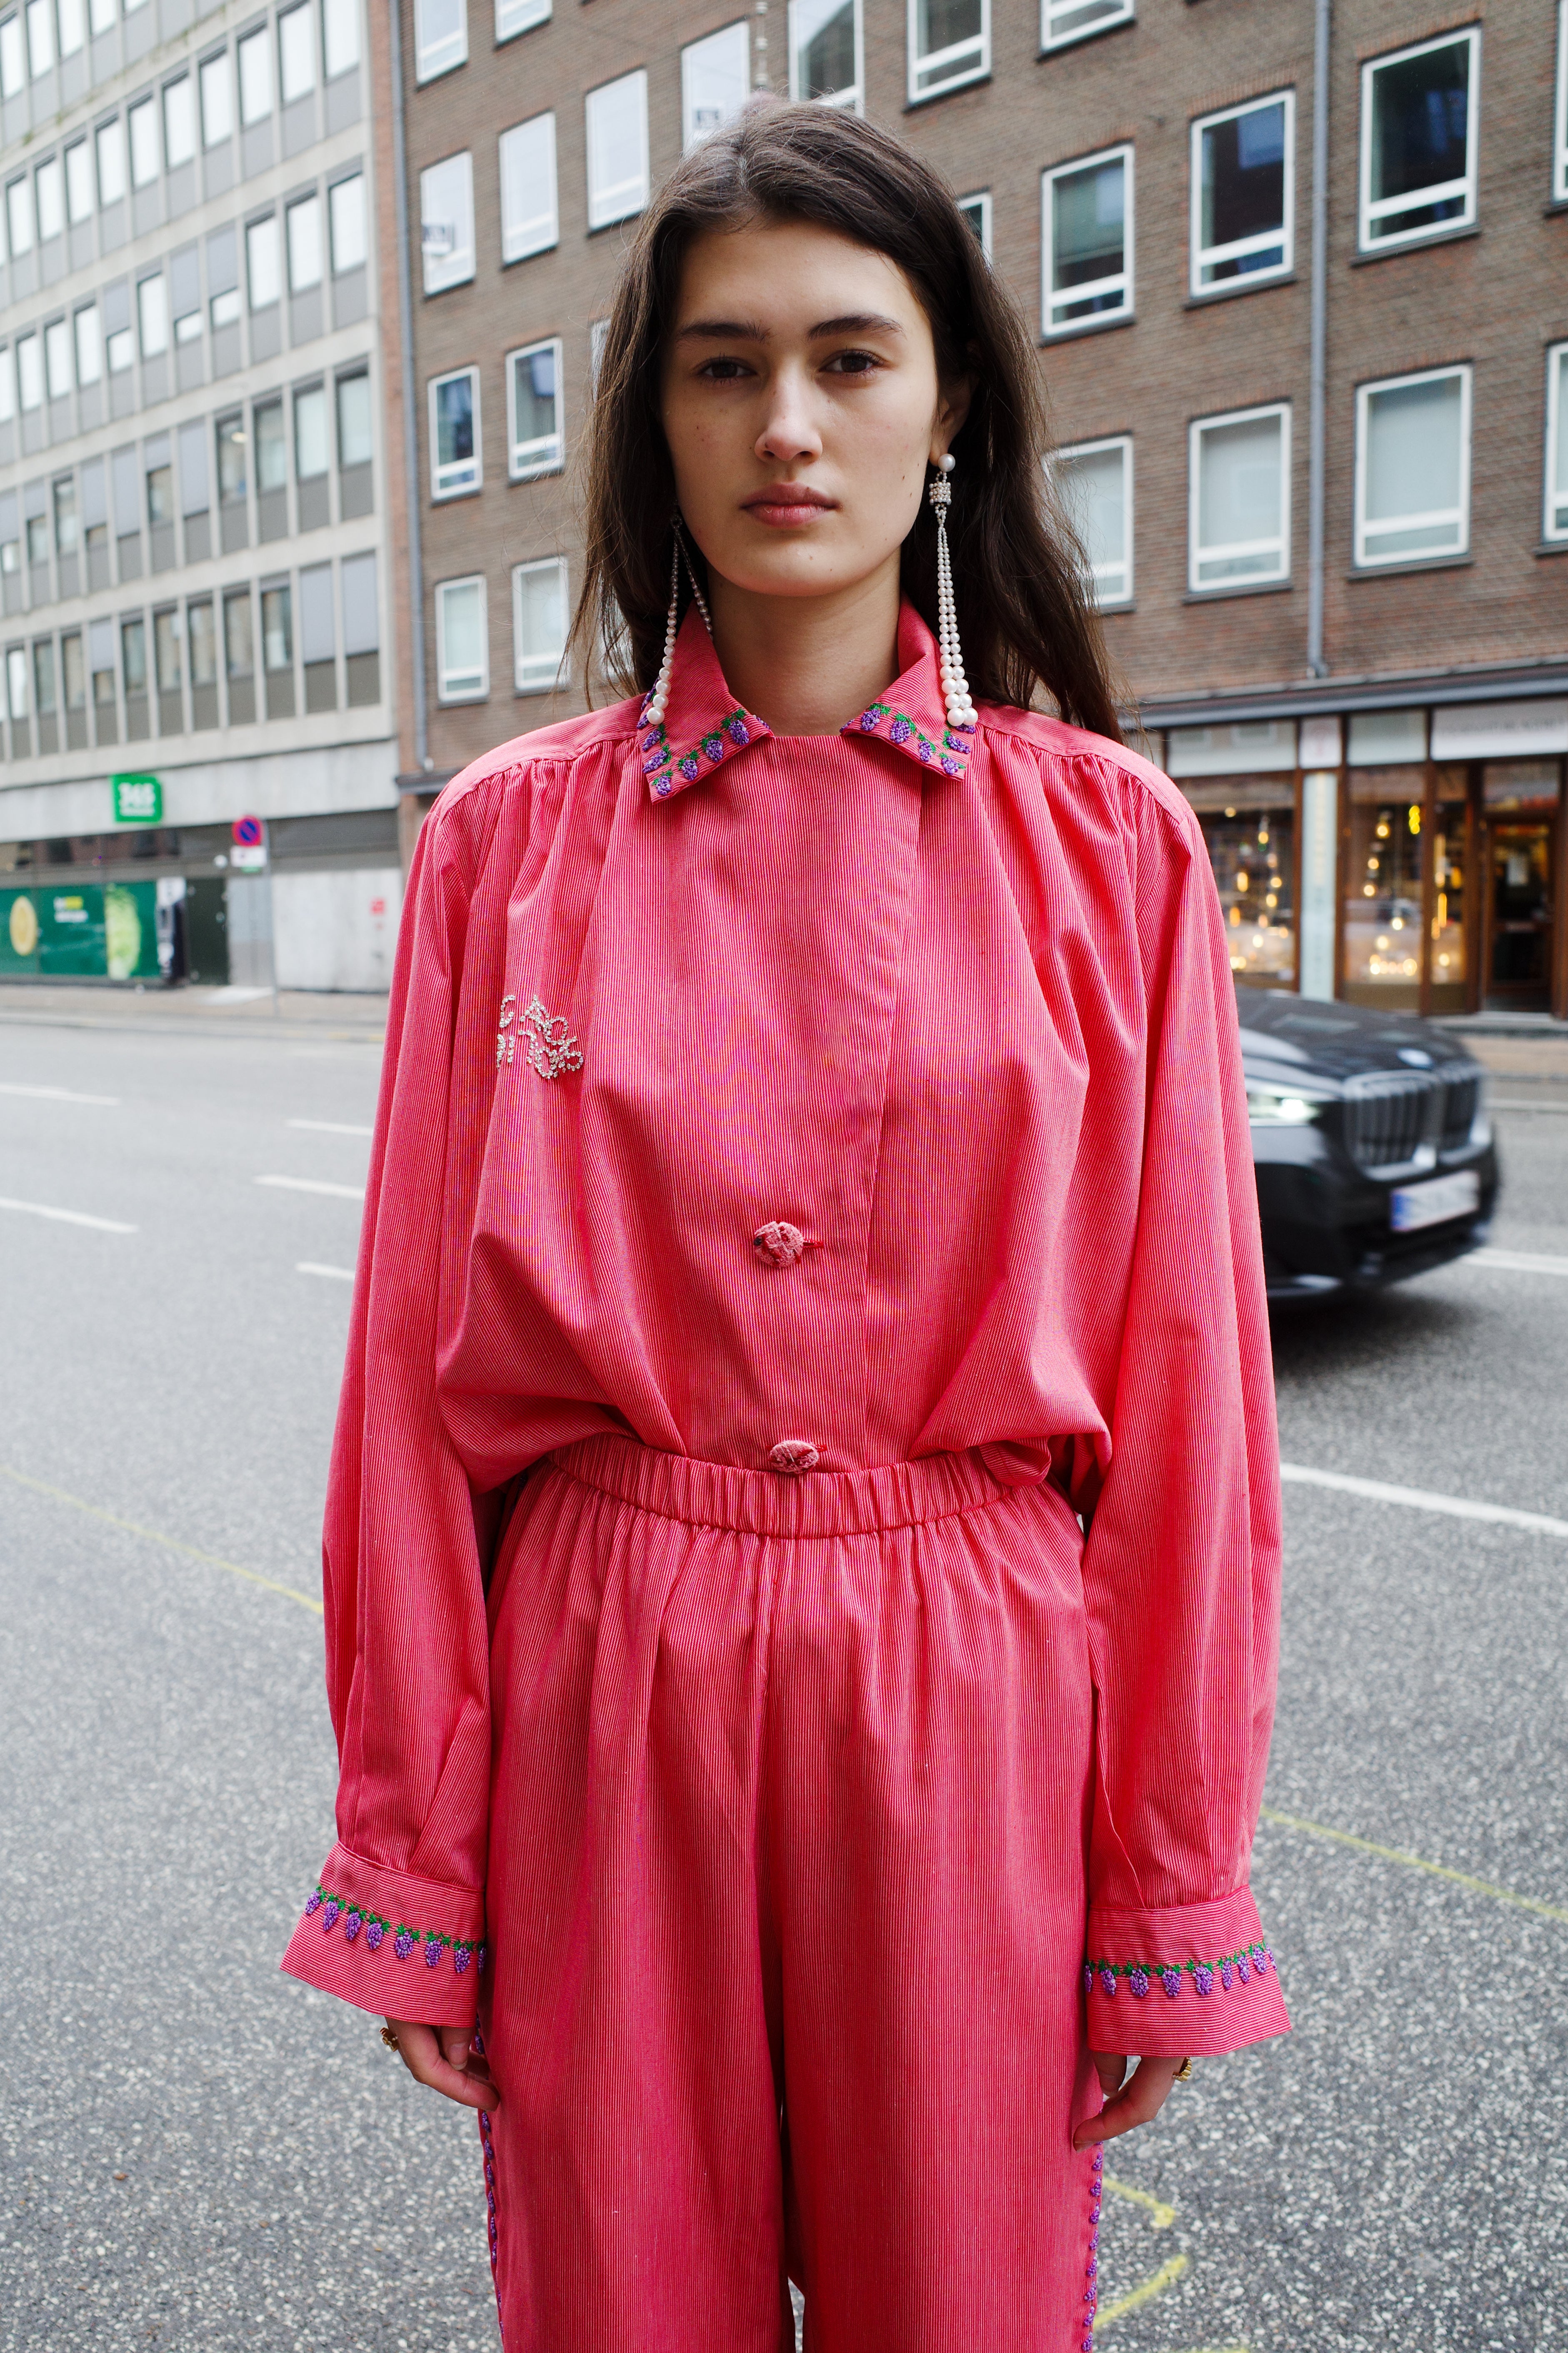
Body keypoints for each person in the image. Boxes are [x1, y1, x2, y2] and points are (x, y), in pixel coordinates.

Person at [282, 98, 1288, 2353]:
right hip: (606, 1674)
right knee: (621, 2305)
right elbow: (408, 1403)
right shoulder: (504, 849)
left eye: (850, 357)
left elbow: (1189, 1413)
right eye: (722, 365)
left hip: (970, 1686)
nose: (787, 425)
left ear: (948, 414)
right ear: (655, 420)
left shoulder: (1107, 849)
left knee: (963, 2312)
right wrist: (418, 1855)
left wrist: (1157, 1878)